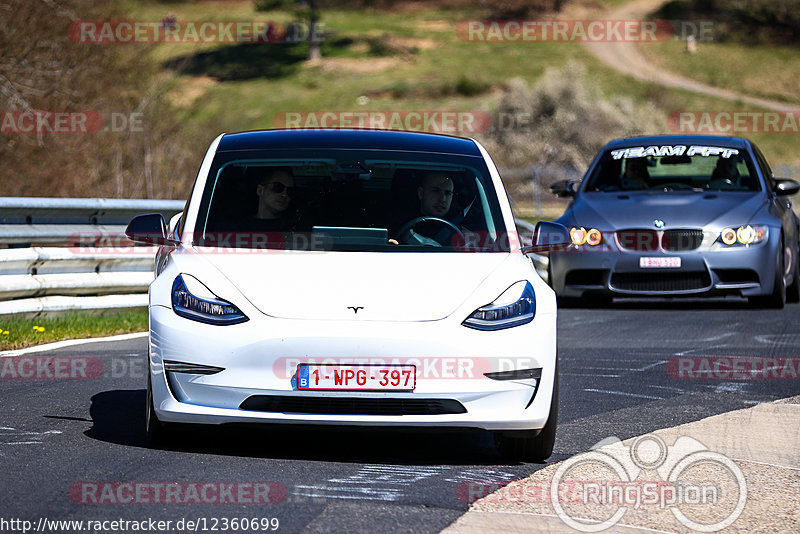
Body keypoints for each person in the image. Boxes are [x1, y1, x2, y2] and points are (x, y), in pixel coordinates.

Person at [248, 167, 295, 232]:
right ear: (260, 190)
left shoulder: (295, 229)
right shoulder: (237, 228)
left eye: (290, 191)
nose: (284, 194)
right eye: (278, 187)